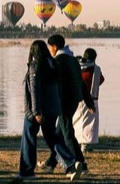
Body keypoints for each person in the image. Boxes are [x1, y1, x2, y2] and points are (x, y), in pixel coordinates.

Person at [18, 40, 82, 181]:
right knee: (52, 138)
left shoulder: (36, 65)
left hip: (37, 110)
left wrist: (36, 112)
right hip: (53, 109)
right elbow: (56, 89)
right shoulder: (52, 64)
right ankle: (71, 164)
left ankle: (27, 171)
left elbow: (34, 90)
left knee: (28, 139)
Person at [39, 34, 94, 175]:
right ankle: (50, 164)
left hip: (62, 102)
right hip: (74, 100)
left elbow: (54, 84)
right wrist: (89, 102)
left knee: (67, 133)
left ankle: (81, 164)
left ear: (55, 47)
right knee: (59, 134)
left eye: (50, 47)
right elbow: (80, 83)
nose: (50, 50)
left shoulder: (58, 61)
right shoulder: (73, 60)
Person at [73, 48, 105, 152]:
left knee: (76, 122)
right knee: (89, 124)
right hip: (92, 98)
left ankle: (76, 142)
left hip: (76, 98)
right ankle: (86, 145)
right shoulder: (96, 69)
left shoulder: (76, 66)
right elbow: (101, 80)